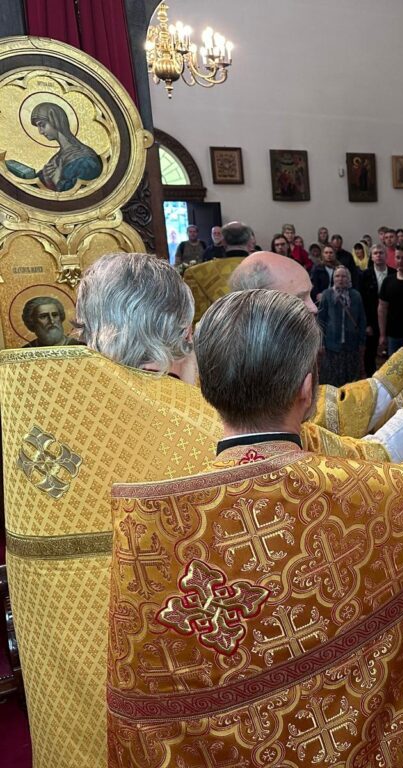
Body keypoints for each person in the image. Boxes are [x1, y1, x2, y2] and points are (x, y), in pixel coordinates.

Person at [106, 289, 403, 767]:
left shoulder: (147, 520)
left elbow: (144, 705)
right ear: (306, 389)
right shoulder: (354, 495)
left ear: (206, 385)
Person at [0, 254, 224, 768]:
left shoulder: (28, 397)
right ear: (180, 332)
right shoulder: (192, 424)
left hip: (59, 674)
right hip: (154, 688)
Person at [230, 250, 403, 445]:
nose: (313, 308)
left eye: (310, 295)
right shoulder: (262, 372)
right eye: (300, 298)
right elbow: (342, 413)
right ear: (261, 307)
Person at [5, 101, 102, 192]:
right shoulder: (57, 158)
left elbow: (83, 194)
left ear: (55, 121)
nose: (40, 132)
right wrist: (48, 180)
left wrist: (57, 181)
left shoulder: (86, 159)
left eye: (42, 125)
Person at [182, 221, 252, 321]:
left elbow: (196, 317)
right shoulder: (267, 267)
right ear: (249, 242)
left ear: (223, 242)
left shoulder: (195, 273)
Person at [318, 265, 366, 385]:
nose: (340, 279)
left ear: (349, 278)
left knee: (350, 379)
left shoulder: (356, 296)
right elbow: (321, 319)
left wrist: (362, 341)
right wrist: (321, 342)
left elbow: (361, 319)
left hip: (351, 344)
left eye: (344, 276)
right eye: (337, 276)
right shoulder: (327, 294)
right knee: (332, 379)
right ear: (333, 278)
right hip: (332, 345)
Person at [360, 244, 394, 375]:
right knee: (370, 352)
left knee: (392, 353)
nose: (378, 255)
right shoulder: (365, 275)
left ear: (386, 255)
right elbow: (362, 301)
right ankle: (371, 378)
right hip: (371, 319)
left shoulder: (394, 273)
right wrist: (367, 324)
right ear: (371, 257)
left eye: (381, 253)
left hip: (390, 319)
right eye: (375, 253)